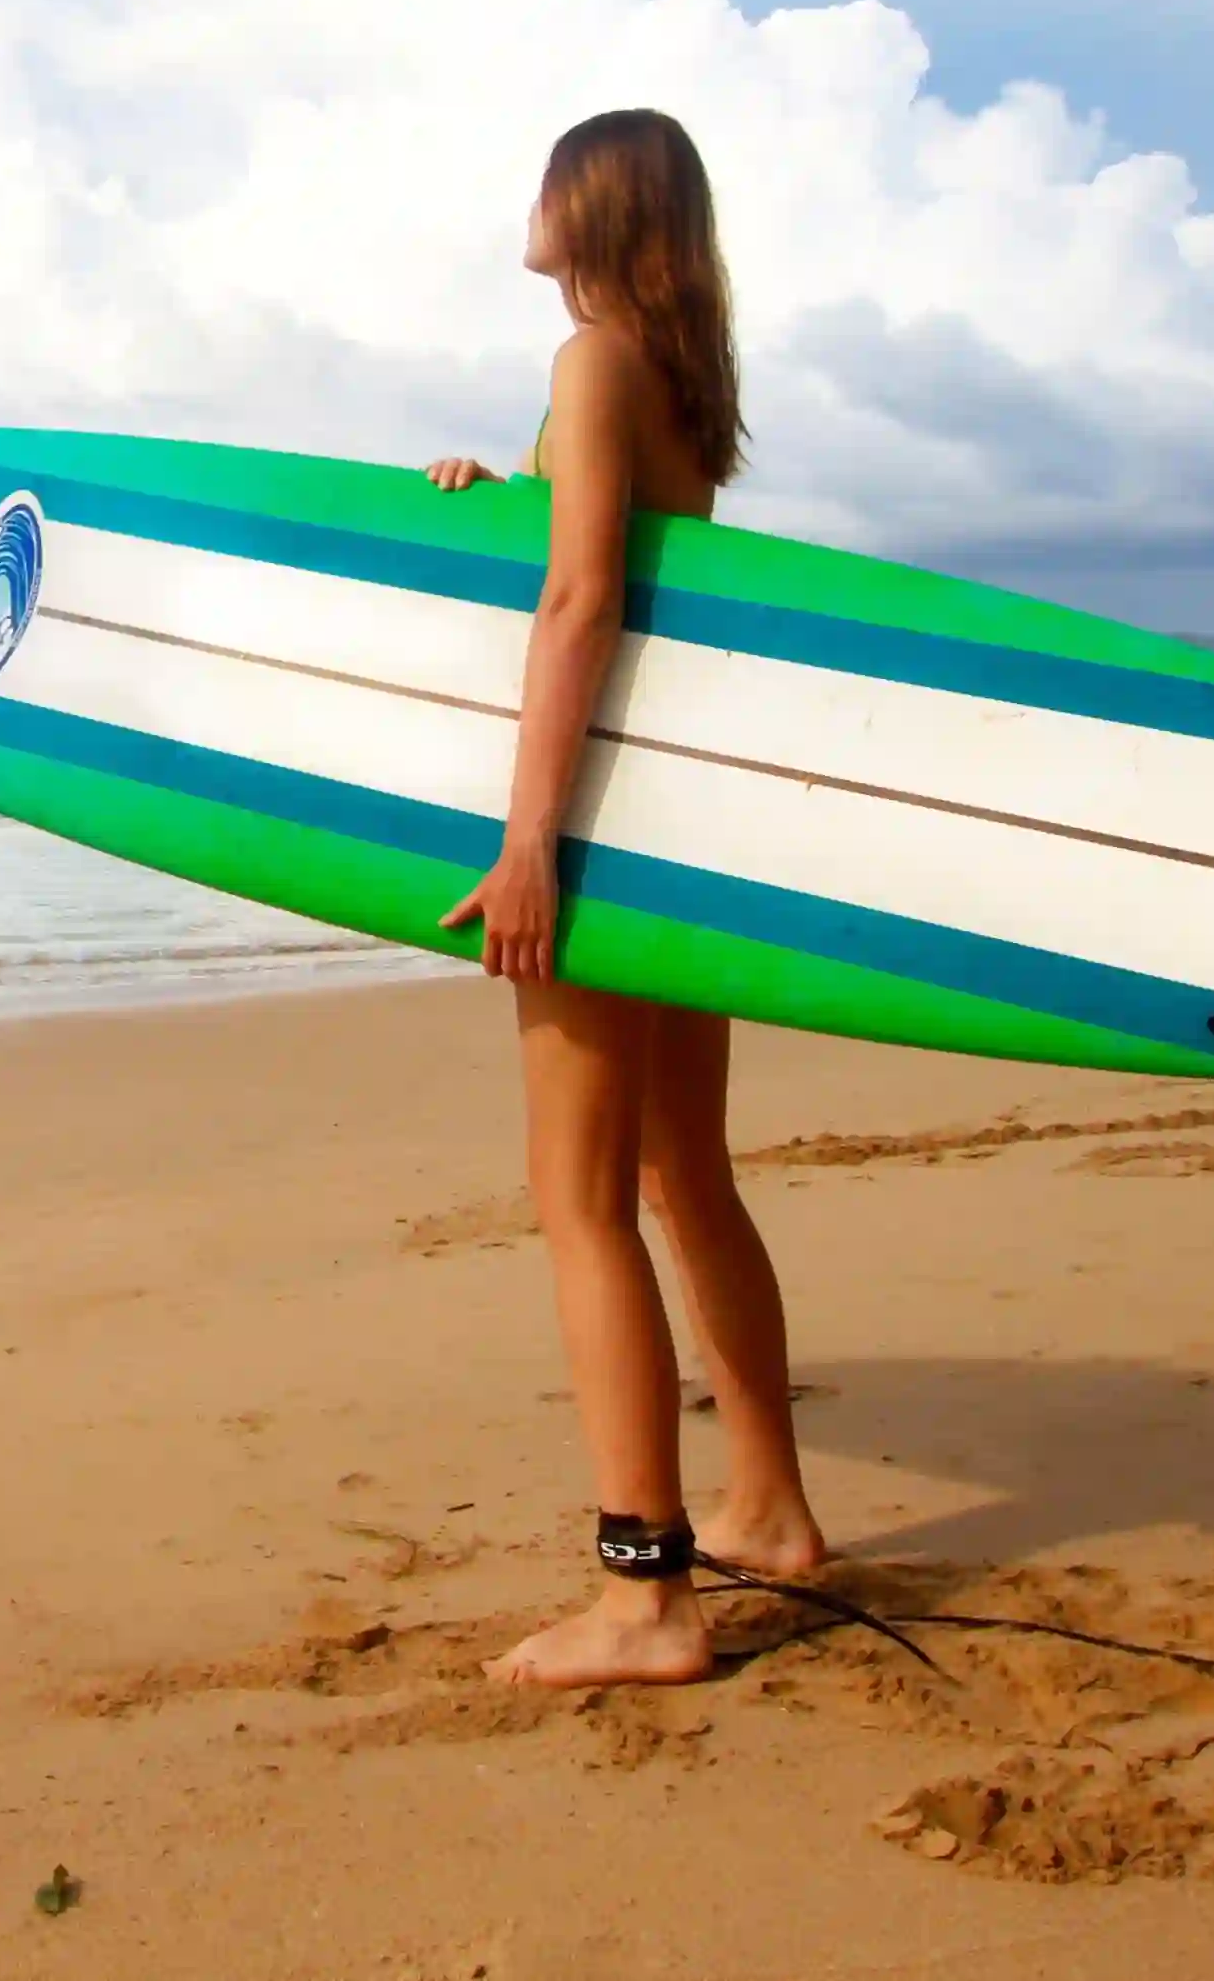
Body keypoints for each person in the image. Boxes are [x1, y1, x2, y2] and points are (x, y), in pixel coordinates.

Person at [425, 109, 828, 1688]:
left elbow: (585, 600)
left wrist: (529, 845)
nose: (523, 205)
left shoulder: (590, 364)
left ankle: (647, 1594)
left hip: (592, 826)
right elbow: (601, 561)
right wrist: (488, 497)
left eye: (543, 181)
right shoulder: (664, 381)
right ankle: (771, 1508)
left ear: (587, 206)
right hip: (680, 829)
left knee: (581, 1199)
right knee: (686, 1175)